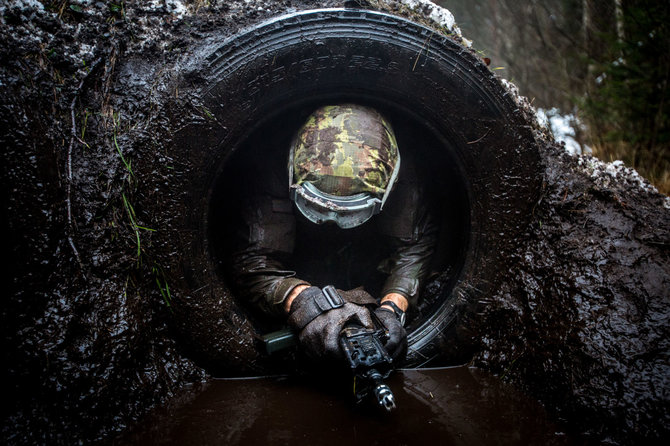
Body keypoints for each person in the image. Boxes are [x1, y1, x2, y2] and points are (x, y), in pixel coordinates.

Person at [229, 104, 437, 363]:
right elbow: (252, 260)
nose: (332, 222)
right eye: (319, 208)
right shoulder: (272, 165)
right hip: (295, 247)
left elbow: (412, 246)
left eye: (347, 213)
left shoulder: (401, 175)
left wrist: (393, 307)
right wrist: (305, 301)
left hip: (368, 246)